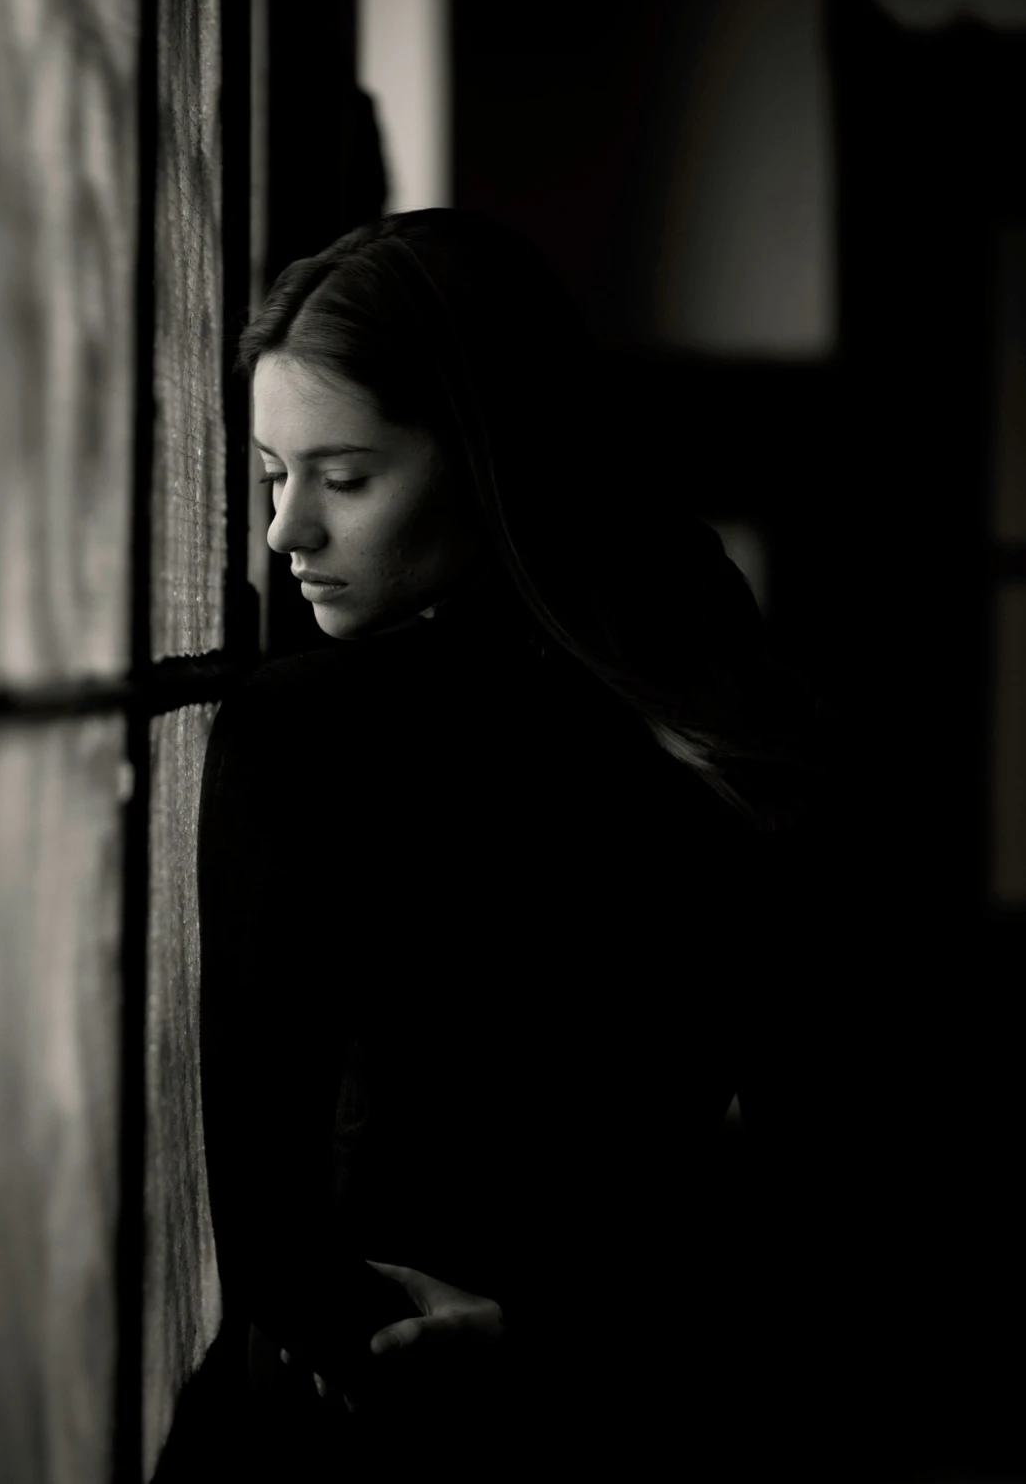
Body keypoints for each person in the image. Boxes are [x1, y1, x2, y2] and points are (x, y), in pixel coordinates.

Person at [154, 210, 842, 1482]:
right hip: (665, 1400)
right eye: (267, 473)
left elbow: (265, 1229)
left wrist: (483, 1347)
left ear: (487, 460)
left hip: (390, 1417)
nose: (282, 533)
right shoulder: (714, 690)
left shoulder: (304, 731)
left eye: (343, 478)